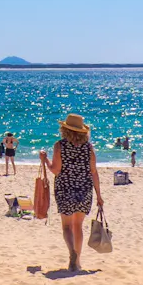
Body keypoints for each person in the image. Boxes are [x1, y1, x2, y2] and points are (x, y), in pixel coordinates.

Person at [45, 113, 101, 272]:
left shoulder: (59, 146)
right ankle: (77, 261)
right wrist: (99, 195)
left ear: (64, 129)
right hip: (84, 189)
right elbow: (94, 172)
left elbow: (56, 170)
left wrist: (45, 160)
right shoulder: (88, 147)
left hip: (65, 188)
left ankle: (72, 253)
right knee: (78, 226)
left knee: (67, 226)